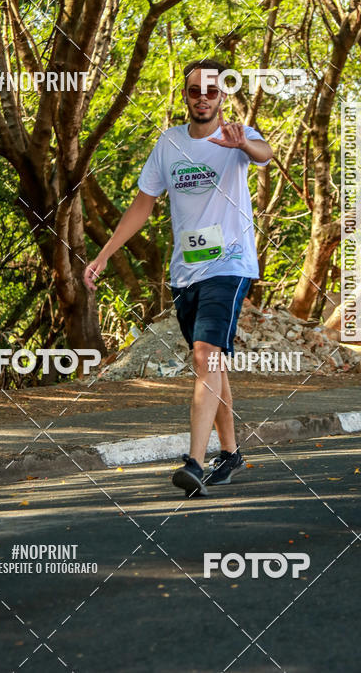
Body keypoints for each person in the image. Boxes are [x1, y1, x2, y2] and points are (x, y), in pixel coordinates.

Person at [83, 59, 273, 497]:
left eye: (211, 90)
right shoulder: (168, 144)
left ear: (223, 95)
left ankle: (194, 462)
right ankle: (231, 453)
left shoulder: (239, 137)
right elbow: (142, 205)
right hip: (186, 274)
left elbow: (265, 155)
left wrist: (245, 145)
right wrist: (105, 255)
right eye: (194, 91)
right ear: (186, 97)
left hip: (230, 265)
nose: (203, 97)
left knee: (206, 355)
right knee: (212, 362)